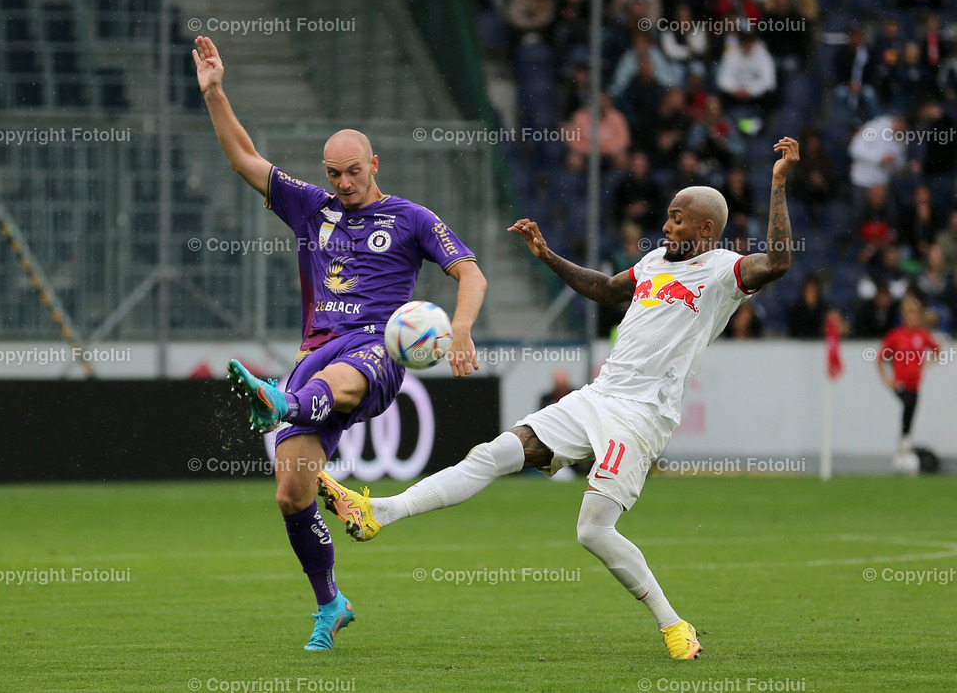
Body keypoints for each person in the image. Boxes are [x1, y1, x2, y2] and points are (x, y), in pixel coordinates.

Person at [320, 139, 801, 660]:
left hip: (641, 417)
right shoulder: (654, 263)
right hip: (599, 397)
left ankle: (674, 624)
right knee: (493, 454)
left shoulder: (723, 272)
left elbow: (777, 261)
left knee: (593, 530)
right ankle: (379, 514)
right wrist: (548, 256)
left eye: (678, 219)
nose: (667, 226)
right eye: (668, 216)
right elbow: (604, 290)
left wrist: (777, 184)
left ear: (707, 230)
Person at [192, 36, 488, 650]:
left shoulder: (410, 218)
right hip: (313, 352)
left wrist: (459, 331)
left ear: (374, 164)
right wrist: (216, 93)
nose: (345, 182)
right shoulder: (311, 208)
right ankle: (331, 604)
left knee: (335, 383)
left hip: (377, 349)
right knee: (290, 493)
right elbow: (244, 160)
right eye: (335, 173)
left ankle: (280, 402)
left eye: (354, 171)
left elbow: (471, 273)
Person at [877, 294, 940, 473]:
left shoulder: (922, 335)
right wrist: (886, 379)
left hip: (915, 384)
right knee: (908, 405)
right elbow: (881, 358)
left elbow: (937, 350)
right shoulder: (896, 336)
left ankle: (904, 447)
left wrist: (925, 366)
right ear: (904, 316)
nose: (911, 318)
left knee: (910, 412)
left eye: (914, 314)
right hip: (900, 384)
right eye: (908, 314)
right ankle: (904, 443)